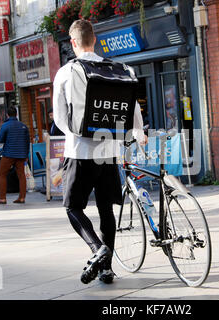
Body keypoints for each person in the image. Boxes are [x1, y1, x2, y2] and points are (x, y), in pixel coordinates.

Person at [53, 19, 146, 285]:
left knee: (72, 207)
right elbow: (132, 106)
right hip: (109, 152)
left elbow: (60, 118)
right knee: (106, 209)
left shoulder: (66, 72)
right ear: (95, 40)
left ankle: (97, 248)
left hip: (79, 152)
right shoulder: (116, 69)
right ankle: (106, 270)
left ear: (73, 43)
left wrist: (77, 133)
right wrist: (139, 133)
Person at [0, 106, 30, 205]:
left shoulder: (5, 125)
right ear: (16, 114)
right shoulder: (23, 126)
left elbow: (0, 140)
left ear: (7, 115)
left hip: (9, 154)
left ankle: (2, 198)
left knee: (2, 174)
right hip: (21, 154)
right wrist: (26, 154)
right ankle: (22, 197)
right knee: (21, 175)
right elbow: (27, 141)